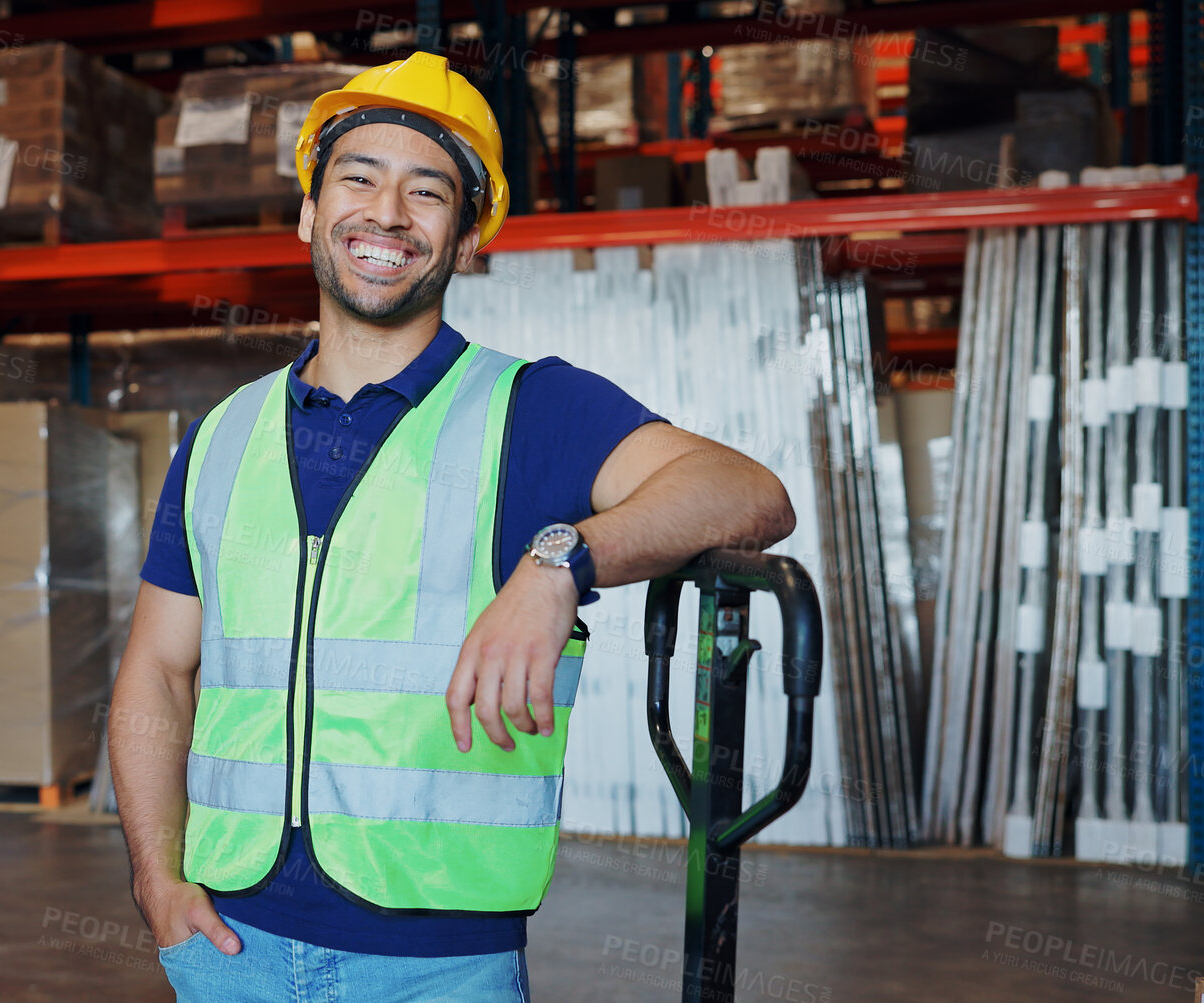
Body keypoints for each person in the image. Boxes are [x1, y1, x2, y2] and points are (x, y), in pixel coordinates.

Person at [109, 51, 795, 1002]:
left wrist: (562, 559)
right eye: (357, 177)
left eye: (426, 192)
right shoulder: (222, 436)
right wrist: (156, 876)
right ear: (310, 213)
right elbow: (156, 667)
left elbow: (746, 490)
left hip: (437, 967)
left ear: (468, 240)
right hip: (229, 947)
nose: (385, 214)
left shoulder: (532, 410)